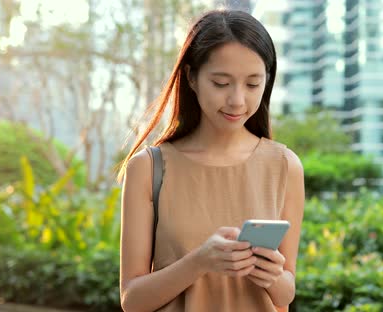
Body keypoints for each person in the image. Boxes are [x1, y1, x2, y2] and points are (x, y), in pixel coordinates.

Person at [117, 9, 305, 312]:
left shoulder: (285, 166)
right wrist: (201, 261)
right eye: (221, 83)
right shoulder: (149, 167)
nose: (237, 100)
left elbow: (285, 295)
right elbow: (132, 300)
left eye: (253, 84)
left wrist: (270, 276)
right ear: (191, 77)